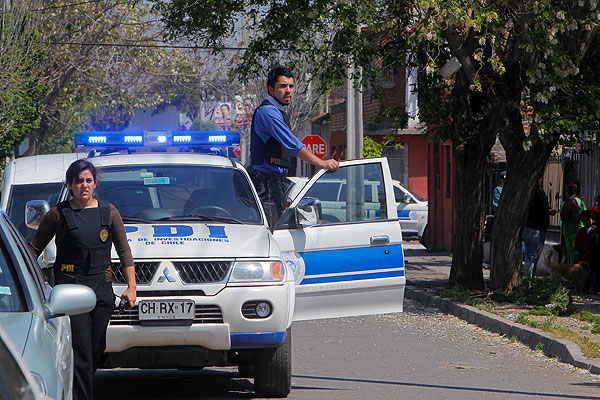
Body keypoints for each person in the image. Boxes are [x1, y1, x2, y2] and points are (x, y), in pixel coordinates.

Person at [29, 159, 136, 400]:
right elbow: (33, 249)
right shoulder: (58, 214)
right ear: (70, 185)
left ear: (95, 184)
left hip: (101, 290)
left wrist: (131, 287)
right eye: (79, 181)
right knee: (82, 352)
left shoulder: (109, 212)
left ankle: (77, 390)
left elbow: (124, 250)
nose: (84, 186)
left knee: (96, 349)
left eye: (88, 181)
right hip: (71, 293)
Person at [248, 65, 339, 225]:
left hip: (275, 182)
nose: (288, 90)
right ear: (270, 89)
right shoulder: (268, 112)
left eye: (291, 86)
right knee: (271, 234)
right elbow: (293, 145)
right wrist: (321, 163)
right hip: (266, 184)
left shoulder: (278, 111)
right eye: (282, 86)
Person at [522, 178, 557, 279]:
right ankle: (527, 281)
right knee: (531, 257)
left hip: (540, 228)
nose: (541, 181)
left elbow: (543, 206)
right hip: (533, 228)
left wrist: (548, 209)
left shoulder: (539, 191)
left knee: (535, 257)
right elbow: (535, 209)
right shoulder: (531, 192)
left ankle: (530, 280)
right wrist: (547, 211)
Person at [560, 183, 587, 264]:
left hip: (572, 234)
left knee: (574, 258)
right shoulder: (581, 202)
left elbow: (563, 216)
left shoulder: (571, 202)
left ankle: (575, 274)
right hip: (578, 232)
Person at [574, 210, 597, 292]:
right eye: (584, 220)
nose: (586, 222)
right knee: (584, 275)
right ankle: (584, 289)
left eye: (588, 219)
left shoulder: (595, 231)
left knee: (594, 274)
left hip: (595, 258)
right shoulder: (581, 232)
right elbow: (577, 245)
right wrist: (577, 254)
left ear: (593, 220)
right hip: (584, 259)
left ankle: (594, 289)